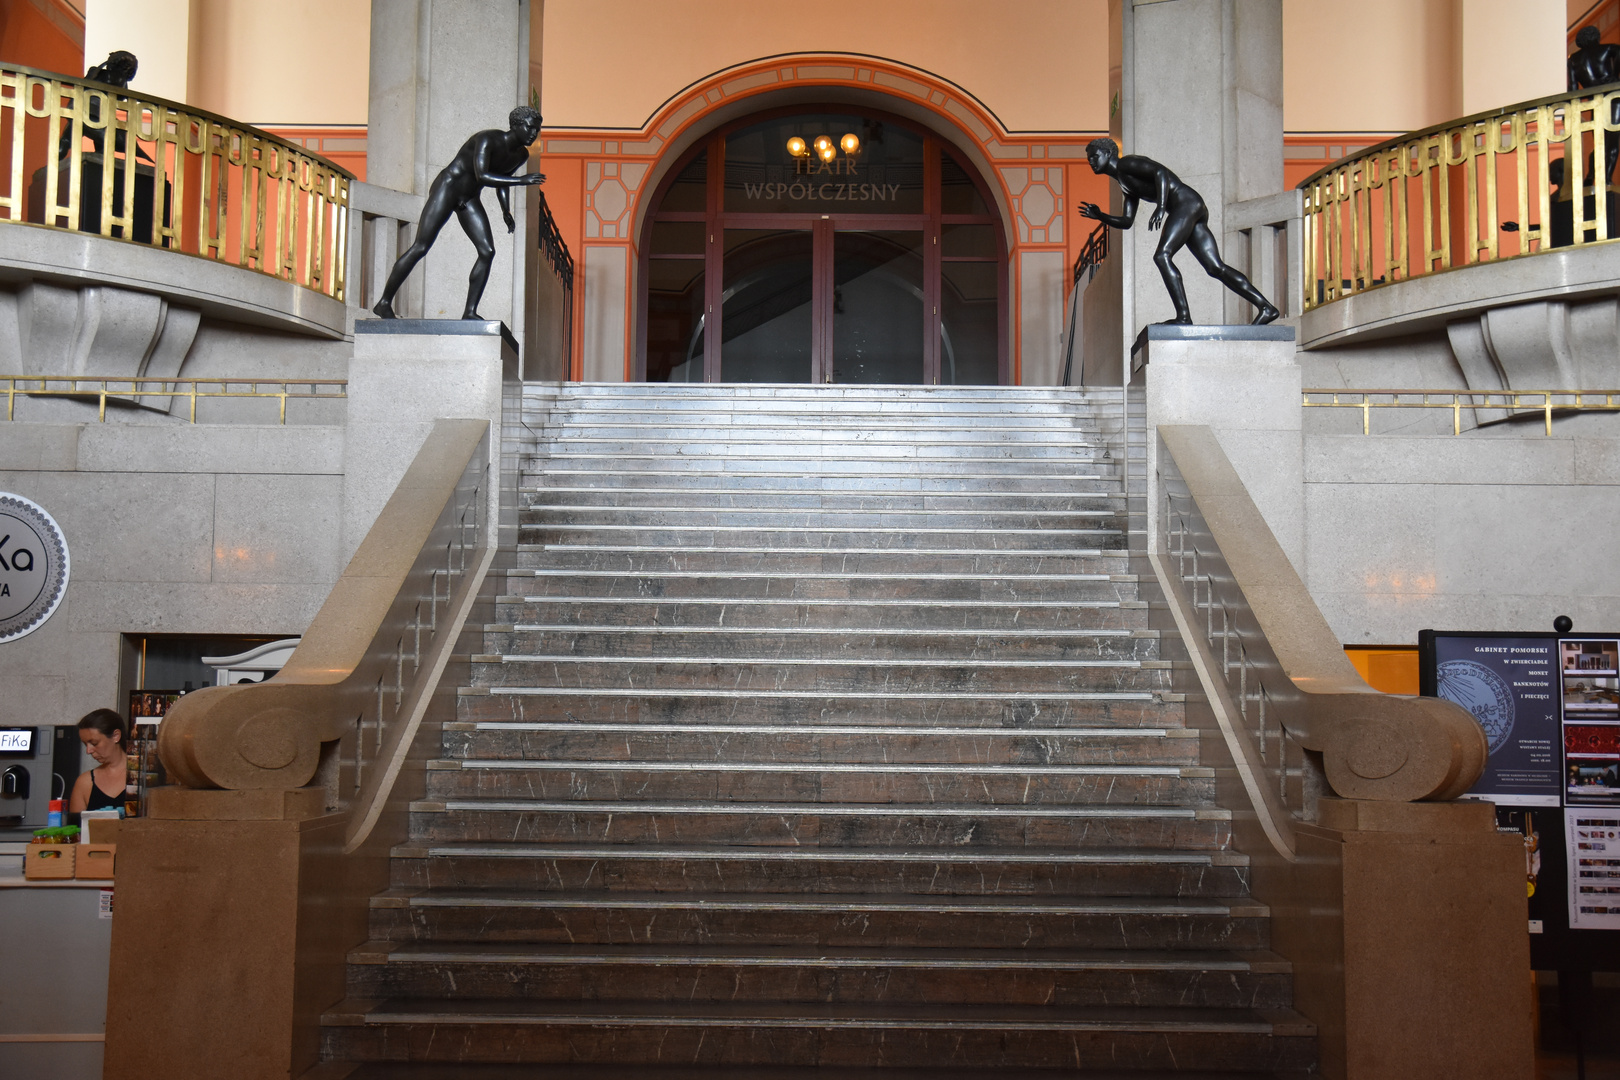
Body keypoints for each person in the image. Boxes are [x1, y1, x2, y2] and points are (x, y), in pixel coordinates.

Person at [1078, 137, 1278, 326]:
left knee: (1162, 256)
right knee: (1215, 267)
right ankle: (1266, 307)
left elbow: (1160, 173)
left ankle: (1183, 317)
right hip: (1190, 205)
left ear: (1108, 153)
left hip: (1184, 203)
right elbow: (1127, 221)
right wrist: (1100, 215)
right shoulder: (1124, 183)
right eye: (1089, 159)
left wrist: (1160, 206)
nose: (1091, 162)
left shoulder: (1126, 164)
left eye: (1094, 156)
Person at [372, 105, 546, 321]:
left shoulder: (522, 154)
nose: (533, 134)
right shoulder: (487, 139)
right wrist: (521, 181)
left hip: (469, 197)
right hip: (448, 188)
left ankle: (470, 312)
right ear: (516, 125)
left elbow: (502, 179)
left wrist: (506, 210)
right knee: (421, 246)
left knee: (487, 251)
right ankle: (384, 302)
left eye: (536, 130)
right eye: (530, 128)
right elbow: (482, 175)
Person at [1568, 25, 1620, 185]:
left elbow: (1573, 90)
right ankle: (1606, 179)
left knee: (1599, 142)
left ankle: (1592, 175)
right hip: (1613, 98)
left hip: (1595, 102)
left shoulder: (1573, 60)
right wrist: (1614, 75)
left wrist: (1572, 112)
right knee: (1612, 142)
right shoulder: (1608, 49)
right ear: (1596, 36)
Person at [67, 708, 128, 815]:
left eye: (94, 743)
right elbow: (76, 829)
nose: (88, 751)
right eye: (85, 744)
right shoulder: (85, 782)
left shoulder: (144, 778)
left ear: (116, 736)